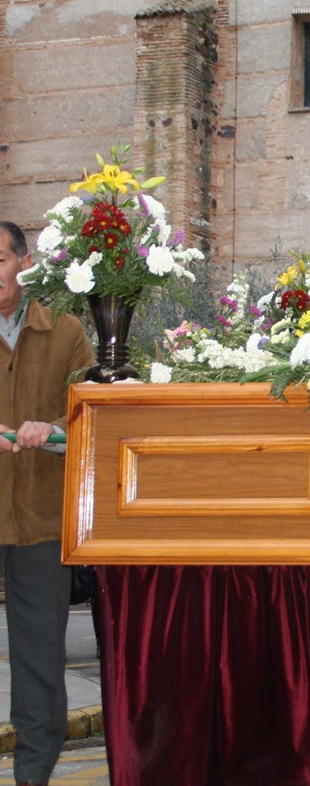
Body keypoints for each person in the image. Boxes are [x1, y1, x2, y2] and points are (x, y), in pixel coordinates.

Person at [0, 221, 94, 786]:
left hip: (40, 513)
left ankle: (33, 771)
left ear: (23, 262)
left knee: (38, 654)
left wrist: (52, 430)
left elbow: (90, 410)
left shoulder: (65, 330)